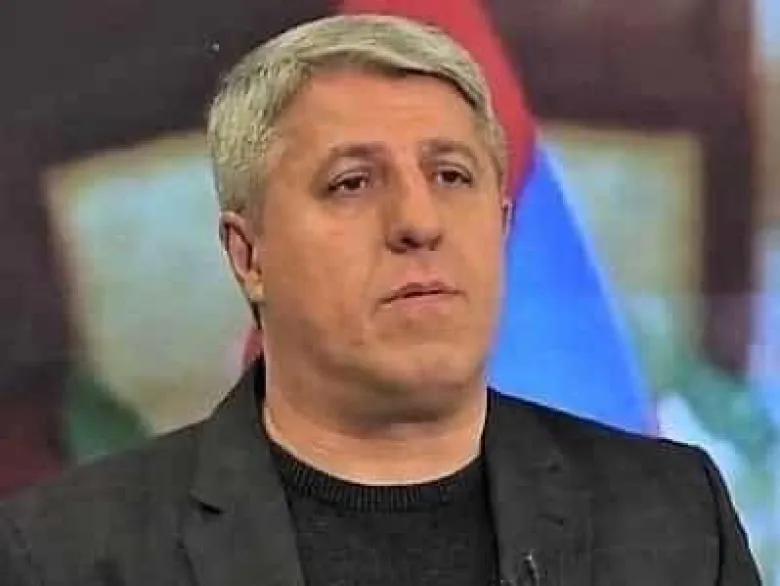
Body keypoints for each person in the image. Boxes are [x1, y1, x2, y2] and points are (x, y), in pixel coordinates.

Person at [0, 14, 762, 586]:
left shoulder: (675, 517)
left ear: (501, 226)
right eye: (351, 183)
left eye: (452, 176)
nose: (419, 223)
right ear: (249, 255)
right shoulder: (70, 554)